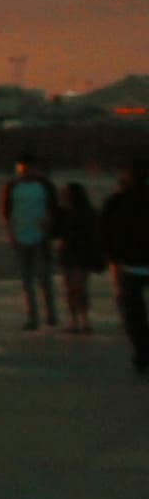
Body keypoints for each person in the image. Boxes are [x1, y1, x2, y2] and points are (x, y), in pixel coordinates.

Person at [106, 158, 149, 376]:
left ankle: (142, 353)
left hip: (129, 264)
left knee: (133, 315)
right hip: (131, 262)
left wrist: (112, 256)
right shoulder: (117, 201)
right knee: (133, 313)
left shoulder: (117, 201)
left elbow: (106, 232)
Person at [3, 157, 57, 328]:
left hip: (40, 237)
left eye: (27, 169)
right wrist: (11, 233)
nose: (24, 173)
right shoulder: (12, 187)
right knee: (26, 281)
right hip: (20, 236)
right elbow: (7, 212)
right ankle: (33, 317)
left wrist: (48, 227)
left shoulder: (45, 186)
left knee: (44, 278)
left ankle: (51, 314)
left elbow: (53, 208)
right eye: (21, 170)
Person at [56, 179, 101, 333]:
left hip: (83, 254)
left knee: (78, 287)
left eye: (66, 194)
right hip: (68, 254)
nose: (63, 196)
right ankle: (75, 320)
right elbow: (55, 233)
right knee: (70, 288)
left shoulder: (88, 213)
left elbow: (95, 234)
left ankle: (84, 319)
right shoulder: (62, 213)